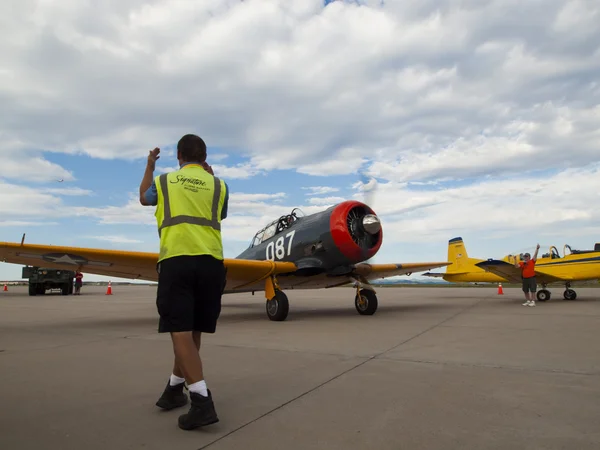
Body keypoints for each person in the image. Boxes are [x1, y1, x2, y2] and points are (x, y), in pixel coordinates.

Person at [139, 134, 229, 430]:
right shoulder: (220, 186)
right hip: (212, 262)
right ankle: (175, 389)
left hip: (177, 259)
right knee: (193, 330)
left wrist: (150, 165)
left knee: (179, 330)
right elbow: (221, 214)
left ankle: (201, 401)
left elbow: (144, 198)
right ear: (204, 157)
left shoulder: (165, 181)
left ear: (179, 155)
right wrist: (210, 177)